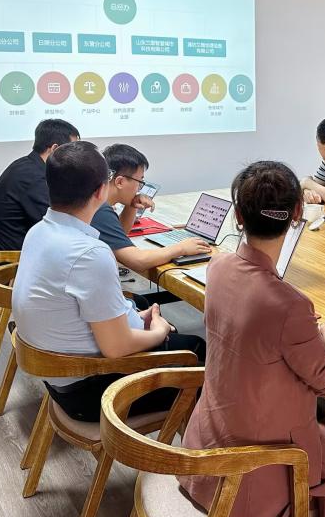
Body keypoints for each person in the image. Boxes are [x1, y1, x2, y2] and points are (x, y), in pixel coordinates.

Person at [180, 161, 325, 517]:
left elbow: (259, 335)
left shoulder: (218, 266)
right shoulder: (289, 305)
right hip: (250, 478)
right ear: (297, 213)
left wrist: (313, 335)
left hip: (205, 446)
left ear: (238, 216)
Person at [11, 141, 206, 422]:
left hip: (59, 377)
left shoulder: (39, 232)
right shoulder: (90, 253)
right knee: (196, 349)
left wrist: (133, 317)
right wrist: (159, 330)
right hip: (92, 391)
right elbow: (116, 348)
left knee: (150, 315)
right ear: (101, 191)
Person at [90, 143, 211, 273]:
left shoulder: (95, 200)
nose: (139, 188)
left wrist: (132, 206)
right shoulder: (101, 210)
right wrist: (181, 248)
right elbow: (138, 261)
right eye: (140, 182)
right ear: (120, 182)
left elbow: (118, 236)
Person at [0, 119, 79, 251]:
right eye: (73, 151)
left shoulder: (27, 166)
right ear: (54, 149)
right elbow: (56, 223)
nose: (77, 157)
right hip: (15, 259)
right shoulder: (32, 177)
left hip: (23, 253)